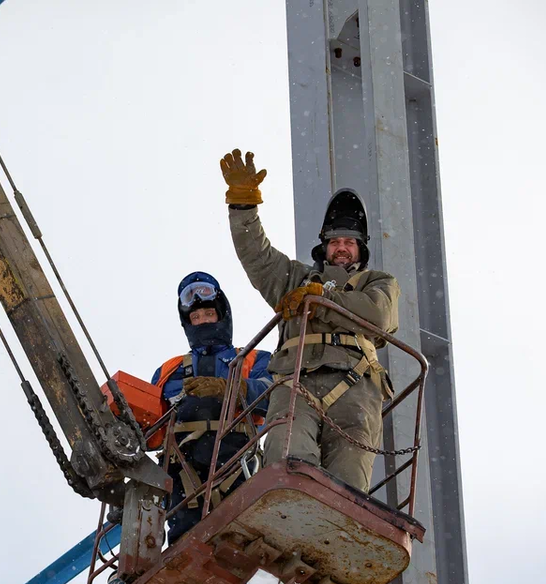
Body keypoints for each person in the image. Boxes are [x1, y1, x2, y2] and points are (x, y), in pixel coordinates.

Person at [218, 149, 399, 493]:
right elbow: (258, 256)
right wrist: (243, 208)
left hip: (356, 388)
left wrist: (320, 301)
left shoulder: (379, 282)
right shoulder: (294, 279)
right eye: (335, 242)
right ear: (324, 247)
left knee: (348, 487)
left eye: (349, 242)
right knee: (286, 464)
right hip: (296, 383)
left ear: (360, 249)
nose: (342, 248)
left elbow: (378, 315)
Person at [150, 272, 272, 545]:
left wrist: (231, 388)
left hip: (238, 467)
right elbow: (148, 431)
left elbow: (275, 397)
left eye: (208, 314)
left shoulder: (253, 358)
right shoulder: (169, 371)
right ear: (187, 324)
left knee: (246, 545)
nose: (203, 321)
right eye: (196, 318)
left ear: (221, 315)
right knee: (184, 551)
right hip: (184, 478)